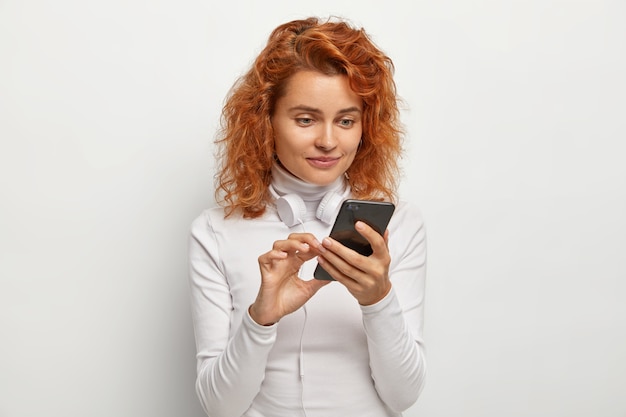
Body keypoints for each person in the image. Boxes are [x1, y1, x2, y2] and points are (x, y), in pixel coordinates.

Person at [188, 16, 427, 417]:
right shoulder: (214, 232)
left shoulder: (400, 225)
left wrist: (377, 300)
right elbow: (219, 407)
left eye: (346, 121)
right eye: (305, 119)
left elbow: (403, 396)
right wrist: (260, 319)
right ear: (265, 121)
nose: (329, 141)